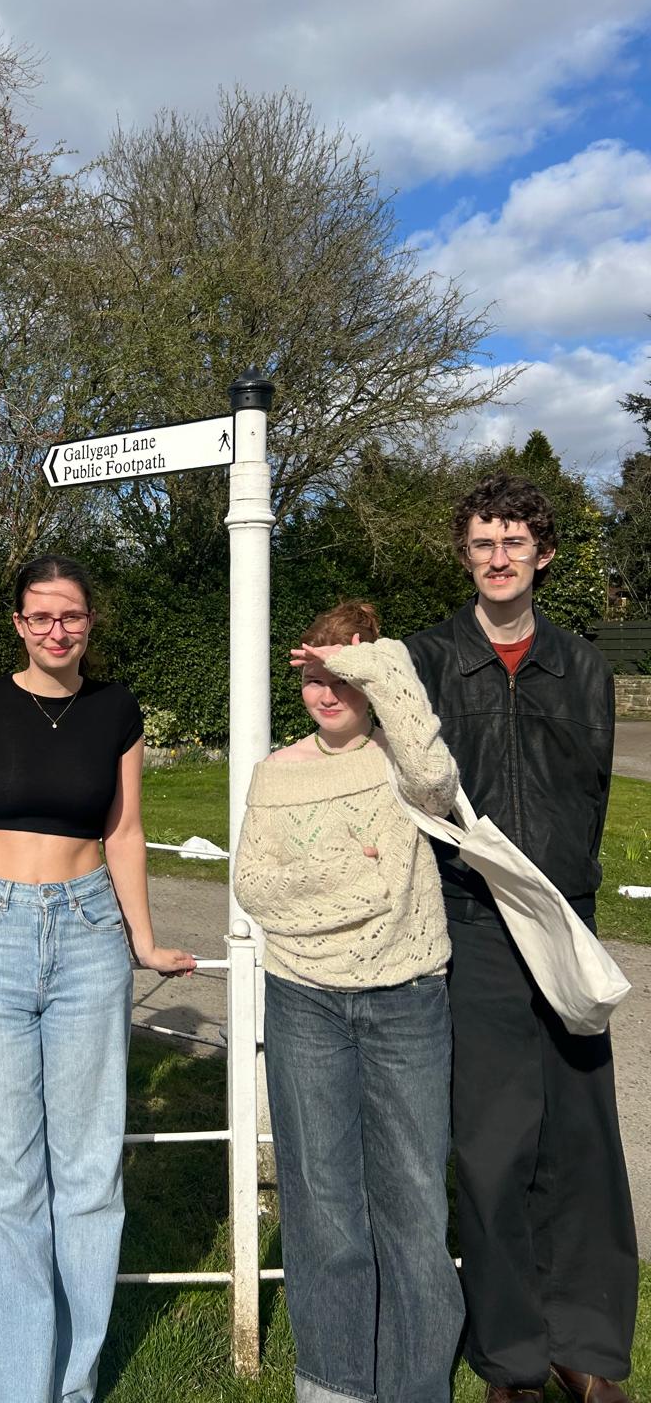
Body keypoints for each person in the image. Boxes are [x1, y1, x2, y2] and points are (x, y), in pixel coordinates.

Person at [0, 554, 194, 1403]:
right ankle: (18, 1387)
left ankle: (75, 1380)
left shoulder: (116, 709)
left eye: (73, 617)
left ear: (92, 622)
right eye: (42, 616)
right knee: (2, 1170)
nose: (59, 631)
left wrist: (146, 941)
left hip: (89, 932)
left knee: (87, 1170)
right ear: (18, 622)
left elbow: (125, 833)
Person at [406, 474, 637, 1403]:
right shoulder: (428, 660)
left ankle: (586, 1350)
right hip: (474, 928)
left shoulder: (584, 666)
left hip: (567, 927)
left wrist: (570, 892)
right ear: (465, 557)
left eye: (514, 543)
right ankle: (509, 1361)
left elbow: (593, 793)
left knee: (582, 1145)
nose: (498, 558)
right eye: (481, 544)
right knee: (494, 1150)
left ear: (541, 554)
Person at [234, 599, 464, 1403]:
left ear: (374, 679)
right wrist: (368, 882)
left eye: (345, 676)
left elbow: (436, 787)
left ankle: (415, 1386)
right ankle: (333, 1385)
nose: (327, 692)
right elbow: (254, 887)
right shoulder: (276, 774)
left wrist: (380, 662)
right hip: (304, 1002)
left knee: (414, 1206)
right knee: (323, 1206)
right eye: (314, 676)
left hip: (406, 1000)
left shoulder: (406, 762)